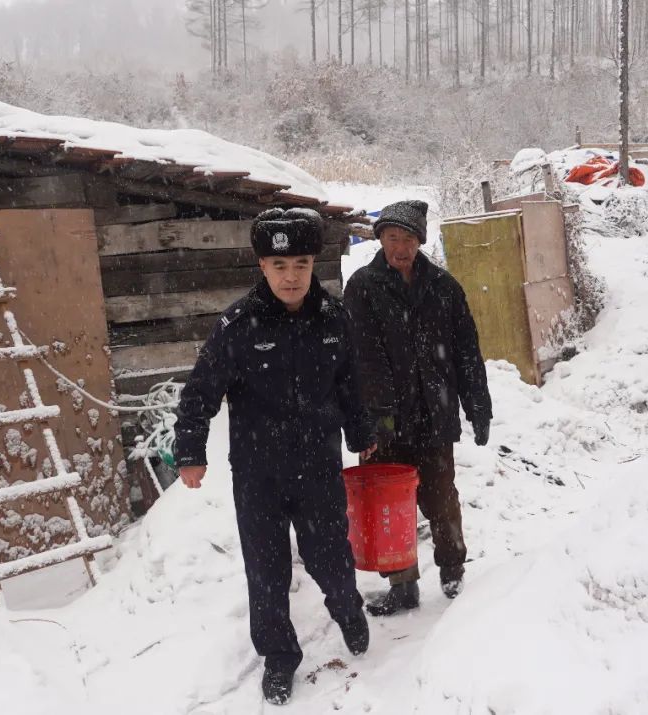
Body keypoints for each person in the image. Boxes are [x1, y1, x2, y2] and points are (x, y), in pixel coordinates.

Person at [174, 207, 377, 706]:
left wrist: (361, 430)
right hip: (258, 473)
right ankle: (280, 658)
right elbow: (201, 391)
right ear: (262, 267)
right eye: (280, 265)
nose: (292, 277)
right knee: (266, 572)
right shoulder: (238, 325)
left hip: (319, 465)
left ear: (312, 265)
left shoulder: (334, 319)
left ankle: (348, 609)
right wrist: (190, 450)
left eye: (302, 264)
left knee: (330, 556)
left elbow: (349, 382)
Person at [343, 199, 493, 616]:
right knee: (391, 506)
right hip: (384, 424)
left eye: (407, 239)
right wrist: (372, 420)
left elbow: (466, 352)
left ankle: (452, 570)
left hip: (434, 414)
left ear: (419, 241)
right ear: (380, 240)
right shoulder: (362, 287)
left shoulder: (444, 287)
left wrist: (477, 404)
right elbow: (361, 358)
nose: (400, 247)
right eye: (392, 238)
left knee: (441, 496)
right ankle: (403, 585)